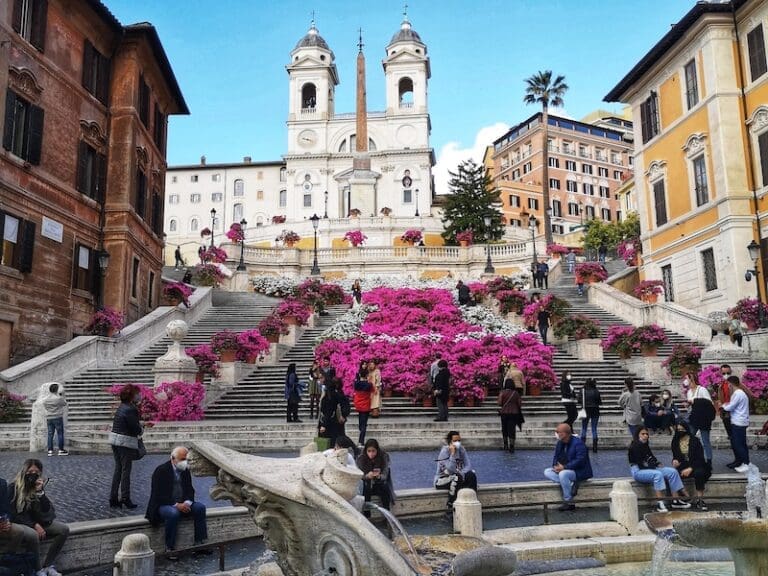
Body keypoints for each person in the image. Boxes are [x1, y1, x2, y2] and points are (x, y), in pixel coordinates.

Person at [145, 447, 208, 560]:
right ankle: (169, 548)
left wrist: (187, 503)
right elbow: (158, 494)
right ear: (173, 459)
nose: (185, 462)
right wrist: (177, 505)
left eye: (186, 459)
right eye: (182, 459)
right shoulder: (161, 470)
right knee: (173, 513)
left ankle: (200, 543)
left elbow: (190, 490)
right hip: (163, 505)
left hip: (182, 503)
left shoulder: (185, 470)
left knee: (200, 508)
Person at [9, 459, 70, 576]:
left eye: (36, 472)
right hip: (21, 523)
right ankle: (38, 569)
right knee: (33, 535)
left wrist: (40, 493)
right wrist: (34, 525)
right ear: (24, 471)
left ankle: (48, 565)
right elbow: (14, 514)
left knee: (63, 529)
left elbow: (48, 513)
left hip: (38, 522)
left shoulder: (37, 486)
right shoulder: (13, 487)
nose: (33, 474)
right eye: (30, 471)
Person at [628, 427, 691, 512]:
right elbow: (641, 465)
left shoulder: (645, 444)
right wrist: (655, 467)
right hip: (638, 470)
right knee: (658, 474)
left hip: (651, 467)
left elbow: (651, 457)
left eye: (647, 434)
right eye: (643, 434)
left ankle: (675, 500)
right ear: (637, 435)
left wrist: (657, 463)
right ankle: (660, 503)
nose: (645, 436)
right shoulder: (634, 447)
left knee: (672, 472)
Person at [544, 423, 593, 511]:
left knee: (563, 474)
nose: (556, 433)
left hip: (580, 471)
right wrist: (555, 466)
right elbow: (556, 457)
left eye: (557, 432)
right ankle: (571, 483)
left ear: (564, 433)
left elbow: (580, 461)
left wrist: (564, 467)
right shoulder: (560, 443)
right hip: (565, 470)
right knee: (547, 471)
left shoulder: (578, 443)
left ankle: (569, 502)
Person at [108, 383, 143, 509]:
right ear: (132, 396)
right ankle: (125, 498)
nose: (139, 396)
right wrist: (142, 428)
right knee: (125, 471)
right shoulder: (131, 409)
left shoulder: (121, 407)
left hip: (115, 440)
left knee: (118, 469)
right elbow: (135, 429)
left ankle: (113, 498)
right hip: (125, 442)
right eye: (137, 394)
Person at [0, 476, 39, 576]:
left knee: (18, 531)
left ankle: (7, 561)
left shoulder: (2, 483)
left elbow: (5, 509)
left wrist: (6, 520)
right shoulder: (12, 487)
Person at [671, 421, 711, 511]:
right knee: (672, 474)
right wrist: (675, 460)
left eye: (683, 429)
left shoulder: (694, 440)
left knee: (699, 473)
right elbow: (675, 456)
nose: (681, 431)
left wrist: (691, 468)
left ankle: (700, 500)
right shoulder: (675, 441)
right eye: (679, 429)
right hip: (683, 464)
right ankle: (680, 498)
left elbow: (700, 458)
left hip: (696, 463)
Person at [434, 431, 478, 513]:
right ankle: (450, 505)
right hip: (441, 480)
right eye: (455, 441)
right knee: (457, 477)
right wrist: (453, 454)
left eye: (459, 440)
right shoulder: (445, 451)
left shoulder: (462, 449)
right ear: (450, 441)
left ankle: (472, 501)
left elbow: (468, 465)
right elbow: (450, 470)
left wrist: (461, 473)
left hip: (458, 476)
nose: (458, 443)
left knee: (471, 475)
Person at [720, 375, 751, 473]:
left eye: (728, 384)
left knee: (738, 444)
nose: (728, 386)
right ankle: (743, 462)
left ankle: (746, 464)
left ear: (731, 384)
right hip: (740, 421)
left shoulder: (738, 393)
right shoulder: (740, 393)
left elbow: (730, 407)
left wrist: (722, 406)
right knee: (741, 444)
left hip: (739, 422)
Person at [356, 439, 394, 516]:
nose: (371, 454)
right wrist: (366, 476)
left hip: (379, 483)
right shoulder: (361, 458)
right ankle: (367, 515)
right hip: (366, 485)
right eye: (369, 451)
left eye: (373, 451)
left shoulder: (383, 457)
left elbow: (385, 474)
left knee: (384, 487)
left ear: (377, 450)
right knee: (366, 487)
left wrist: (379, 476)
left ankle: (387, 513)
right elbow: (358, 475)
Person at [686, 372, 715, 463]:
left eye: (686, 378)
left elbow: (709, 403)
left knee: (705, 440)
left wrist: (694, 401)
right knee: (690, 438)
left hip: (703, 418)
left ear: (691, 379)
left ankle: (709, 460)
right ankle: (691, 458)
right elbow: (691, 406)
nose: (685, 381)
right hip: (694, 417)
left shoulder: (702, 389)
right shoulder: (689, 392)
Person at [318, 379, 350, 448]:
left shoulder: (329, 397)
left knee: (330, 442)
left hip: (330, 422)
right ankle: (354, 448)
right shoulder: (338, 395)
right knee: (341, 436)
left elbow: (327, 412)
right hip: (336, 421)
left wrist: (323, 425)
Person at [41, 383, 68, 457]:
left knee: (50, 434)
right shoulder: (58, 398)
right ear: (56, 390)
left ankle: (50, 450)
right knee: (60, 433)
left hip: (49, 418)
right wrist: (61, 395)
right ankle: (61, 450)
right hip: (57, 417)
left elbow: (44, 406)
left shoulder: (45, 399)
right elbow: (64, 403)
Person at [498, 378, 523, 452]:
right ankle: (512, 446)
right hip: (514, 413)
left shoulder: (502, 392)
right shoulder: (516, 393)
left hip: (504, 413)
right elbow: (519, 404)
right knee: (512, 429)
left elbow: (499, 403)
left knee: (504, 429)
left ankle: (505, 445)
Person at [580, 378, 602, 453]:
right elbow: (599, 402)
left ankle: (582, 446)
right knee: (594, 429)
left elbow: (579, 400)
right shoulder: (596, 391)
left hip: (586, 410)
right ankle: (595, 447)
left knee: (584, 428)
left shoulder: (583, 390)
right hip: (595, 411)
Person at [353, 366, 373, 445]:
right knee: (364, 423)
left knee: (361, 421)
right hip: (366, 404)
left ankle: (361, 430)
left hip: (358, 404)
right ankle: (361, 441)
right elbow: (373, 390)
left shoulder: (356, 383)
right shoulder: (369, 384)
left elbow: (355, 384)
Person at [717, 364, 734, 440]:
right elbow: (721, 397)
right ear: (721, 373)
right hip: (725, 410)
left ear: (731, 372)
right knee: (729, 432)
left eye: (728, 373)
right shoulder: (721, 385)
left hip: (734, 410)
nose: (726, 375)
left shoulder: (735, 384)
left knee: (735, 433)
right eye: (724, 373)